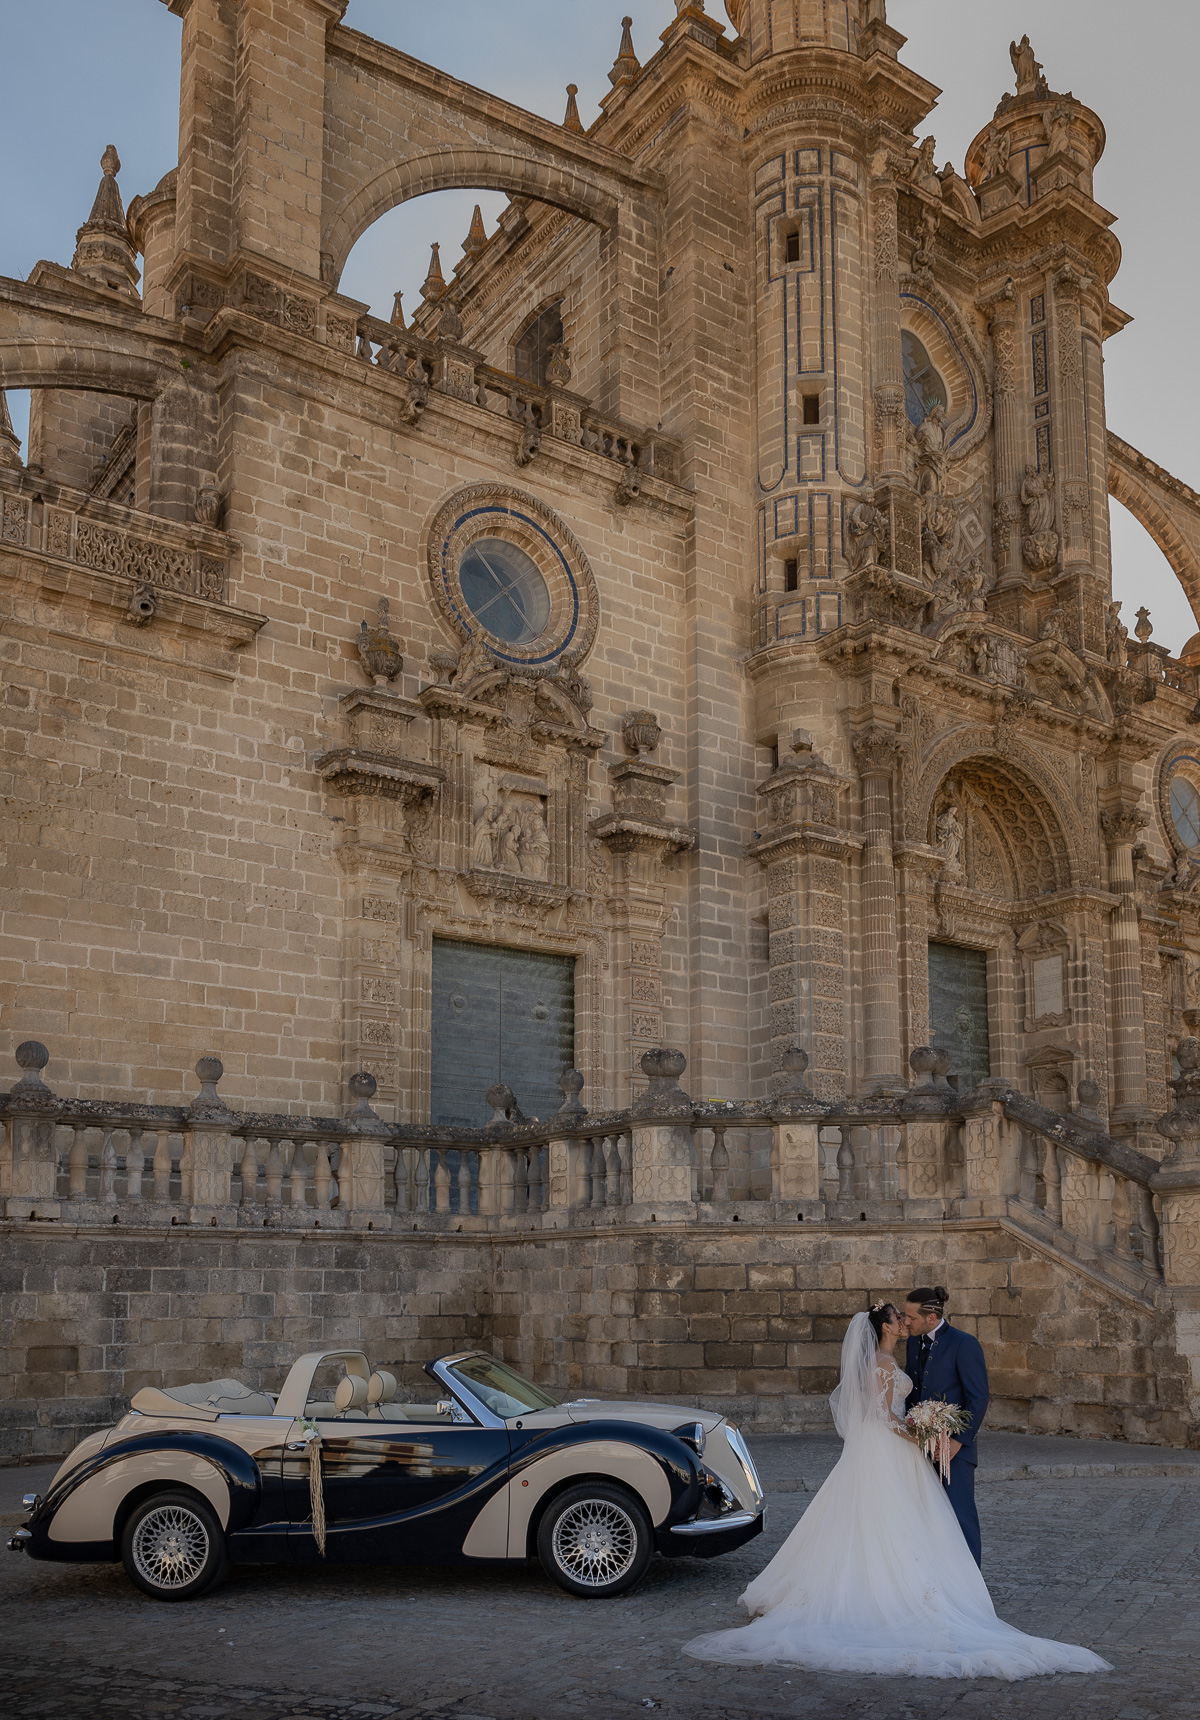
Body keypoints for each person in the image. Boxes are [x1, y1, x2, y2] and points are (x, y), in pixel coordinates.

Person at [682, 1303, 1110, 1679]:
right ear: (885, 1327)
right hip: (888, 1445)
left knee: (885, 1519)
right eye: (896, 1318)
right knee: (892, 1518)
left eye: (907, 1317)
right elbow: (885, 1415)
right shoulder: (884, 1365)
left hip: (883, 1448)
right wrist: (920, 1436)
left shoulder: (894, 1357)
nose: (903, 1323)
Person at [904, 1285, 987, 1566]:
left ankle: (973, 1590)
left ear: (931, 1317)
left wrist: (957, 1442)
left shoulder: (964, 1344)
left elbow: (978, 1398)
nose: (906, 1322)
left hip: (955, 1450)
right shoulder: (913, 1342)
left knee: (960, 1518)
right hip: (920, 1447)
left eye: (911, 1317)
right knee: (927, 1519)